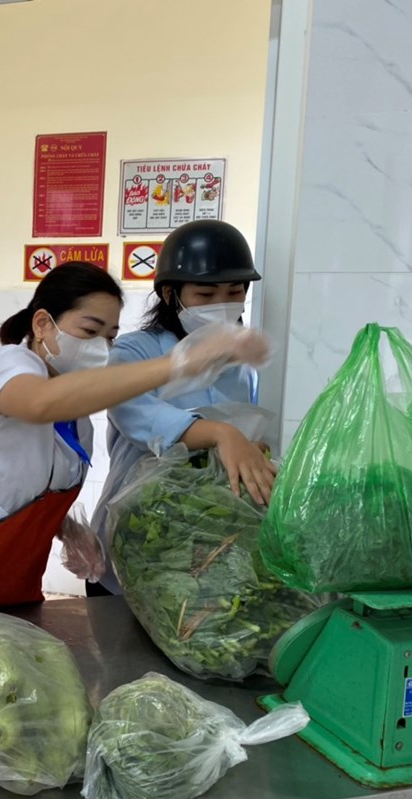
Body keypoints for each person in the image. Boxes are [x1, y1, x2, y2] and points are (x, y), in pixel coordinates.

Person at [0, 261, 270, 609]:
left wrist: (65, 528)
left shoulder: (79, 420)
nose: (102, 348)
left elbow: (19, 488)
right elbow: (40, 403)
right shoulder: (10, 365)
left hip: (12, 585)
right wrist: (178, 364)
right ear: (43, 324)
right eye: (90, 332)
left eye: (110, 337)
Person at [89, 219, 277, 597]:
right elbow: (135, 415)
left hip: (210, 540)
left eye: (234, 292)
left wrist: (249, 448)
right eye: (205, 295)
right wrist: (222, 434)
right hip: (137, 529)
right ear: (170, 294)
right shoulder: (136, 350)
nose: (221, 306)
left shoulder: (242, 366)